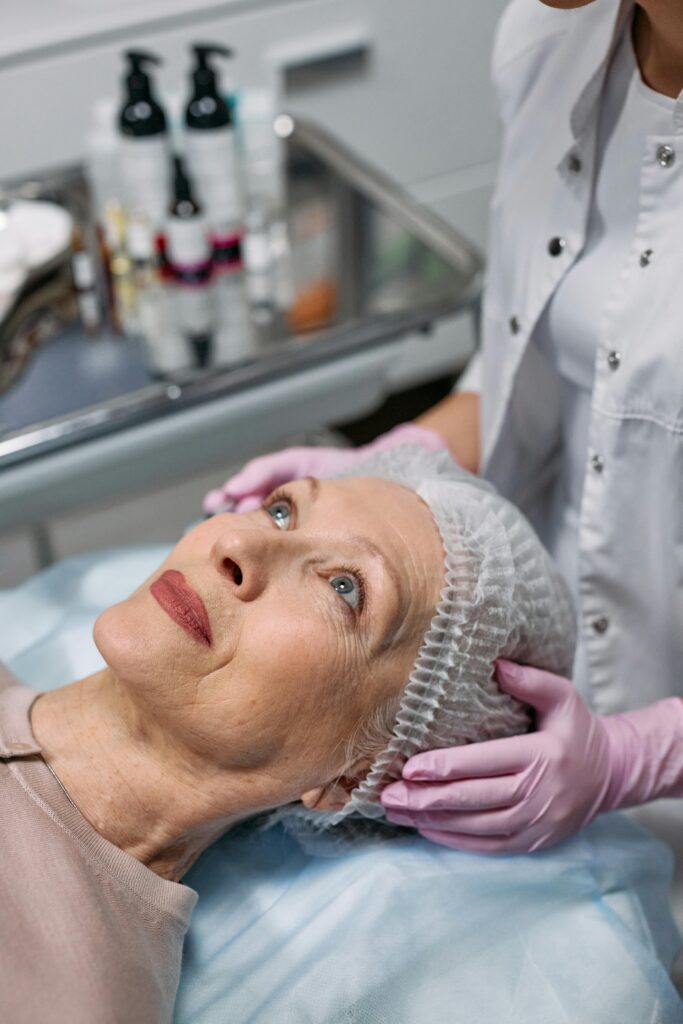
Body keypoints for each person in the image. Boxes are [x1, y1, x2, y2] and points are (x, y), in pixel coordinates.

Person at [203, 0, 683, 925]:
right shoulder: (548, 40)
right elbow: (548, 363)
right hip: (547, 682)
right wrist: (399, 462)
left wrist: (642, 752)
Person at [0, 448, 576, 1022]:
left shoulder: (72, 998)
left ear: (357, 774)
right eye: (281, 512)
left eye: (344, 588)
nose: (237, 543)